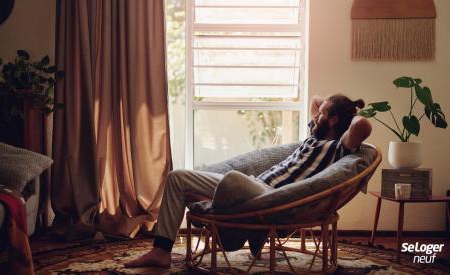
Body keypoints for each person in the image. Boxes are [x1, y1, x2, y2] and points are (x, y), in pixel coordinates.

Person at [124, 94, 372, 268]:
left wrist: (350, 112)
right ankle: (161, 251)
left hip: (270, 196)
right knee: (177, 177)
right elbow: (316, 100)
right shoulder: (314, 136)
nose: (316, 114)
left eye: (323, 114)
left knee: (231, 180)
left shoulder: (338, 147)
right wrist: (328, 109)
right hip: (253, 185)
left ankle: (230, 226)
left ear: (335, 120)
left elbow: (362, 125)